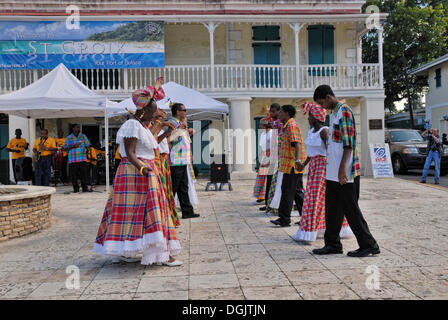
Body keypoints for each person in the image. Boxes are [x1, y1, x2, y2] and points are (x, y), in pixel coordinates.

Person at [93, 87, 182, 266]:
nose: (155, 113)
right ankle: (158, 253)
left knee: (146, 212)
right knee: (139, 212)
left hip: (146, 169)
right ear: (143, 110)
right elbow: (131, 153)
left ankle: (155, 252)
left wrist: (167, 131)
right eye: (152, 110)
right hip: (135, 173)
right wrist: (143, 169)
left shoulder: (142, 126)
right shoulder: (131, 125)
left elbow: (152, 144)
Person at [311, 85, 380, 257]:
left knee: (351, 210)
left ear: (328, 97)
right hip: (332, 172)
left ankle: (369, 244)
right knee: (332, 209)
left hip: (345, 173)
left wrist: (342, 169)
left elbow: (348, 144)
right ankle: (333, 244)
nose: (322, 107)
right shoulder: (333, 114)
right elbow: (335, 144)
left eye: (322, 103)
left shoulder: (345, 111)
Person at [293, 102, 352, 242]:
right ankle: (317, 228)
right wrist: (303, 165)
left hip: (323, 168)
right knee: (315, 198)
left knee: (315, 199)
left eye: (310, 116)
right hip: (313, 167)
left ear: (316, 117)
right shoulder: (311, 132)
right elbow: (311, 153)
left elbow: (329, 150)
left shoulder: (324, 131)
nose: (308, 118)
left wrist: (337, 168)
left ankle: (310, 232)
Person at [270, 105, 306, 227]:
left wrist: (297, 160)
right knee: (297, 192)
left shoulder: (291, 126)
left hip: (292, 165)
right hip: (289, 165)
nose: (278, 114)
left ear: (286, 113)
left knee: (287, 191)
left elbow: (297, 144)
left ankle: (284, 219)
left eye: (280, 112)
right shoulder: (287, 126)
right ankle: (306, 218)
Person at [167, 103, 200, 219]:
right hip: (175, 160)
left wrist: (187, 132)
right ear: (177, 112)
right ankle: (168, 213)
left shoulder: (180, 124)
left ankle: (187, 211)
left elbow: (182, 140)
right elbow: (168, 139)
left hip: (182, 160)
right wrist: (179, 131)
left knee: (183, 187)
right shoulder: (172, 123)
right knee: (174, 187)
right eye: (184, 110)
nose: (185, 112)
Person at [153, 108, 180, 227]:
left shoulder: (158, 129)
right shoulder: (152, 128)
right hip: (159, 160)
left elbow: (162, 141)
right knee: (163, 189)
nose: (161, 120)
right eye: (158, 118)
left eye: (162, 118)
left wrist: (168, 132)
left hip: (164, 160)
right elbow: (155, 142)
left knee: (167, 189)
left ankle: (169, 218)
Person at [64, 124, 92, 193]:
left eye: (79, 128)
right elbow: (65, 148)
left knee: (84, 175)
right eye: (77, 127)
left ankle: (84, 188)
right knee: (73, 175)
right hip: (73, 159)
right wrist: (73, 146)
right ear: (73, 129)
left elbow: (88, 145)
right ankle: (76, 189)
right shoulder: (69, 138)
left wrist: (89, 149)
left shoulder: (83, 136)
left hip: (82, 158)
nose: (78, 129)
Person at [264, 103, 282, 213]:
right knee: (270, 179)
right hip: (273, 154)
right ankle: (268, 203)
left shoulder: (279, 123)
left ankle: (272, 204)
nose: (272, 113)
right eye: (271, 111)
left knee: (276, 180)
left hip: (280, 155)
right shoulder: (274, 123)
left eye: (273, 111)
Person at [254, 118, 271, 207]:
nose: (259, 126)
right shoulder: (263, 134)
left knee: (267, 177)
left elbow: (272, 146)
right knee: (262, 176)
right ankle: (261, 196)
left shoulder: (271, 133)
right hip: (264, 156)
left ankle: (265, 196)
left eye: (260, 124)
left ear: (264, 125)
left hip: (270, 156)